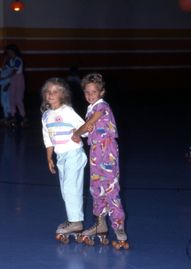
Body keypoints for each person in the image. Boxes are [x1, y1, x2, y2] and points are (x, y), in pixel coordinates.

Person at [71, 73, 129, 249]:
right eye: (87, 92)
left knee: (111, 189)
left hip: (108, 151)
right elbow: (89, 130)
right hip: (96, 151)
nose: (90, 95)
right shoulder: (91, 108)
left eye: (94, 91)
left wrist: (76, 133)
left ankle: (119, 228)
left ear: (102, 92)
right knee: (96, 187)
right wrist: (78, 133)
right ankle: (100, 224)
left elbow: (89, 125)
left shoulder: (102, 106)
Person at [41, 77, 88, 243]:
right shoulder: (46, 115)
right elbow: (47, 138)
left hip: (74, 153)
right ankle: (73, 219)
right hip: (61, 156)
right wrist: (49, 157)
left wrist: (78, 133)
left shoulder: (67, 111)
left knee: (70, 187)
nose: (51, 94)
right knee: (65, 189)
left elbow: (86, 127)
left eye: (55, 92)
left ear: (63, 95)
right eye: (48, 92)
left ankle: (75, 222)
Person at [5, 44, 29, 127]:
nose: (9, 53)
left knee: (18, 99)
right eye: (8, 52)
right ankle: (13, 116)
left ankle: (23, 116)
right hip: (12, 79)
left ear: (14, 52)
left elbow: (14, 71)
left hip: (18, 79)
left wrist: (5, 78)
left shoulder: (18, 60)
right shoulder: (11, 60)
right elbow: (5, 68)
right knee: (11, 98)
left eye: (10, 52)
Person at [0, 52, 13, 126]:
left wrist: (8, 85)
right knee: (3, 102)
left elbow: (12, 77)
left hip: (7, 87)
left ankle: (9, 118)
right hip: (3, 86)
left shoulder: (10, 67)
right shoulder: (4, 67)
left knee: (7, 103)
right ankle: (7, 117)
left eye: (5, 58)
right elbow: (1, 77)